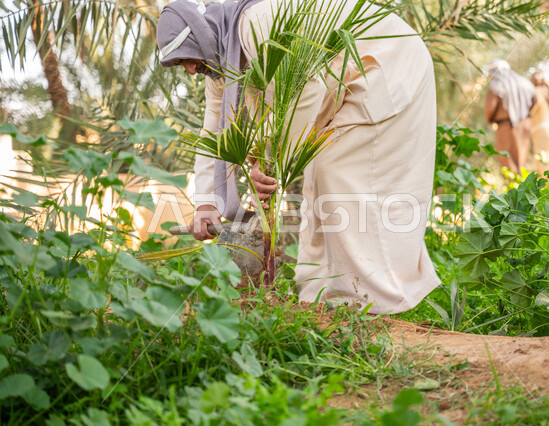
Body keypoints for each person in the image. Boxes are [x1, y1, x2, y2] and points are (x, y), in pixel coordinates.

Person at [157, 0, 440, 314]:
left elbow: (307, 89)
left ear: (200, 33)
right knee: (319, 181)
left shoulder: (255, 26)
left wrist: (273, 162)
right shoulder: (221, 61)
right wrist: (206, 202)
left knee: (336, 173)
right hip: (350, 84)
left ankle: (373, 302)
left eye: (186, 57)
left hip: (390, 65)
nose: (191, 69)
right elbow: (213, 130)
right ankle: (322, 299)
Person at [484, 60, 536, 174]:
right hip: (524, 124)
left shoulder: (497, 83)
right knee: (522, 161)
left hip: (506, 126)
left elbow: (490, 108)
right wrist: (523, 114)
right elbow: (534, 98)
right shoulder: (524, 82)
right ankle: (523, 188)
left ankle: (512, 190)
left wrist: (491, 119)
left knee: (507, 161)